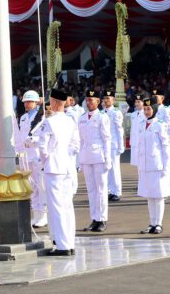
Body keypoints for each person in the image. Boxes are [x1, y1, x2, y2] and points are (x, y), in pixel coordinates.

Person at [36, 88, 80, 256]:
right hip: (67, 167)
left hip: (54, 168)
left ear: (54, 103)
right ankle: (69, 243)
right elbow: (75, 145)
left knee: (57, 207)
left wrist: (46, 161)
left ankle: (62, 245)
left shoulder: (50, 122)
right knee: (67, 206)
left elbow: (42, 147)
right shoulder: (70, 121)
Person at [136, 99, 170, 234]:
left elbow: (165, 146)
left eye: (149, 109)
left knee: (158, 195)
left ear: (155, 110)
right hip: (145, 165)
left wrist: (165, 166)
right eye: (145, 109)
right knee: (149, 195)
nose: (146, 112)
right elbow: (139, 146)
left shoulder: (160, 125)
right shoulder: (141, 124)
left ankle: (158, 223)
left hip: (157, 164)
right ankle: (151, 223)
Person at [78, 89, 111, 232]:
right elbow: (80, 140)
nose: (89, 102)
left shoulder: (102, 117)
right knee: (91, 190)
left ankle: (102, 219)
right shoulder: (82, 117)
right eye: (87, 100)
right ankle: (94, 218)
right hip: (86, 156)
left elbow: (107, 139)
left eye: (92, 100)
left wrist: (108, 158)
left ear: (98, 102)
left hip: (99, 156)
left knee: (101, 189)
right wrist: (79, 160)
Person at [15, 90, 47, 227]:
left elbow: (45, 136)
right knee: (31, 187)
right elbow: (20, 137)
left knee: (41, 186)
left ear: (36, 102)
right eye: (25, 102)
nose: (27, 104)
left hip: (37, 155)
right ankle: (36, 214)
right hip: (26, 156)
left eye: (29, 102)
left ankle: (43, 215)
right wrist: (18, 151)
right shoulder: (23, 117)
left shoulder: (43, 117)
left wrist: (34, 140)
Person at [101, 90, 125, 203]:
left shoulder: (116, 112)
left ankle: (117, 192)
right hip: (104, 145)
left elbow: (120, 130)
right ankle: (110, 190)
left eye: (108, 98)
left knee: (115, 169)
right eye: (105, 98)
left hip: (114, 144)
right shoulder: (101, 113)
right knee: (106, 168)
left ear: (113, 100)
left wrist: (121, 145)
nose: (106, 100)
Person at [129, 95, 145, 169]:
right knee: (137, 163)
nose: (137, 104)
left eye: (139, 102)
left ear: (143, 103)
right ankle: (140, 180)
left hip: (143, 142)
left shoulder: (146, 114)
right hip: (135, 141)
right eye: (136, 102)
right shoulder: (133, 114)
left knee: (143, 163)